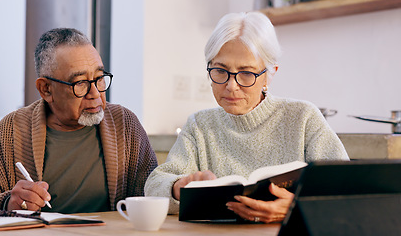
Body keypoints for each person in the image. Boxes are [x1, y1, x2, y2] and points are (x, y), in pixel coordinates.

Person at [144, 12, 349, 223]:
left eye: (246, 73)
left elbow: (348, 189)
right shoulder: (199, 125)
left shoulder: (303, 118)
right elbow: (154, 185)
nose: (231, 86)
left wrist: (295, 208)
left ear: (270, 74)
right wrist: (178, 187)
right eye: (220, 71)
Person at [0, 28, 157, 216]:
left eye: (99, 78)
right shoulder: (12, 129)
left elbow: (154, 196)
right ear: (46, 89)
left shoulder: (125, 124)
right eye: (80, 83)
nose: (95, 94)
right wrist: (8, 203)